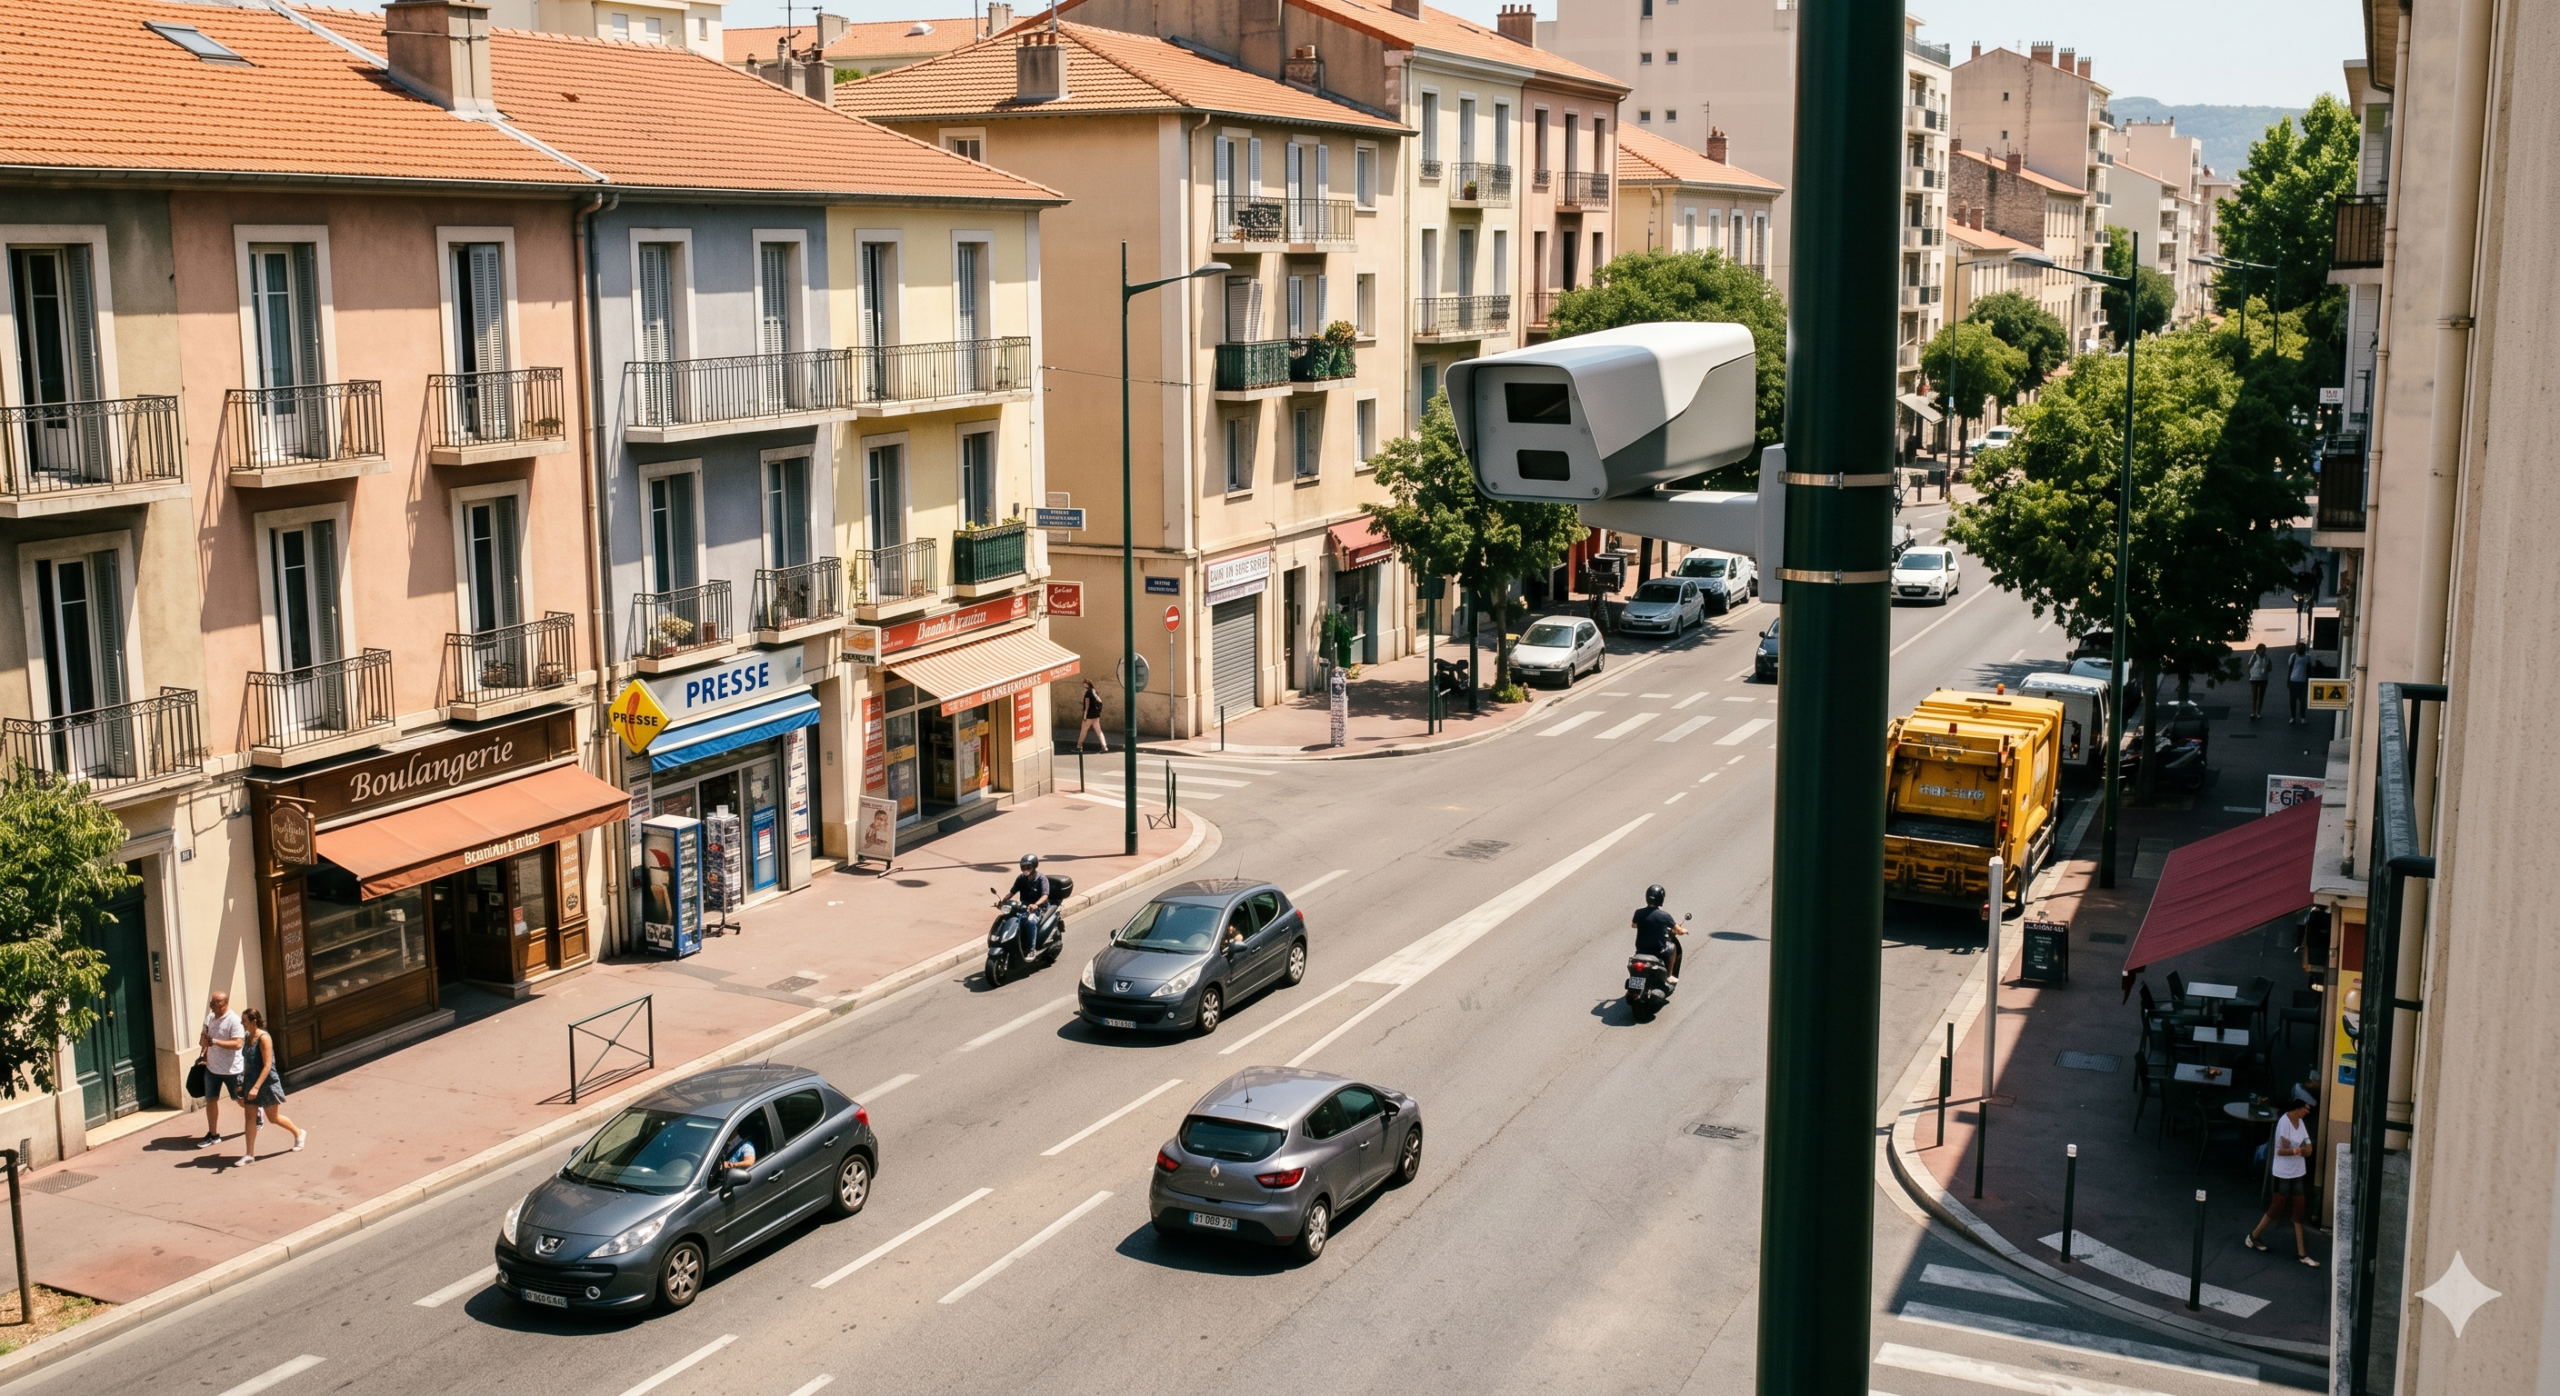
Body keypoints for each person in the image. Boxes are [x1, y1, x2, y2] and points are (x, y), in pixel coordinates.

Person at [2245, 1091, 2322, 1266]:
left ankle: (2302, 1253)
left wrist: (2298, 1149)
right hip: (2283, 1172)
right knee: (2277, 1206)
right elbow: (2281, 1150)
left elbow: (2308, 1148)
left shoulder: (2300, 1123)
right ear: (2297, 1108)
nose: (2307, 1112)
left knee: (2299, 1208)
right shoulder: (2284, 1123)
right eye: (2305, 1109)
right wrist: (2298, 1150)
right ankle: (2254, 1236)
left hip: (2297, 1171)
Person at [230, 1008, 304, 1164]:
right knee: (249, 1116)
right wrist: (243, 1084)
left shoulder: (264, 1038)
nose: (241, 1023)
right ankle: (249, 1154)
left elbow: (267, 1065)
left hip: (266, 1083)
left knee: (273, 1117)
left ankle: (298, 1133)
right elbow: (246, 1062)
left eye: (244, 1020)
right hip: (250, 1082)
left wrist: (256, 1087)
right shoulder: (248, 1037)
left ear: (254, 1021)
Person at [198, 991, 244, 1149]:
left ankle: (257, 1113)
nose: (211, 1005)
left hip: (232, 1070)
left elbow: (238, 1044)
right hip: (212, 1069)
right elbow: (203, 1040)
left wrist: (216, 1041)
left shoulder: (234, 1020)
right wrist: (204, 1045)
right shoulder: (210, 1018)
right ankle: (213, 1134)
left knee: (240, 1100)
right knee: (211, 1100)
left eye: (214, 1003)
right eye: (211, 1002)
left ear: (223, 1004)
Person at [1004, 853, 1060, 954]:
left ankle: (1031, 949)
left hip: (1039, 908)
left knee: (1030, 922)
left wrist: (1036, 904)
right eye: (1023, 867)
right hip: (1024, 907)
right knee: (1008, 919)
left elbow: (1045, 895)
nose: (1026, 869)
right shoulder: (1021, 878)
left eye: (1028, 867)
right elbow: (1012, 892)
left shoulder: (1041, 879)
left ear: (1034, 867)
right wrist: (1002, 901)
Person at [1632, 884, 1685, 982]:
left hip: (1641, 949)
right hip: (1657, 950)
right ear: (1661, 899)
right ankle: (1669, 975)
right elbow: (1679, 930)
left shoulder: (1638, 912)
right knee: (1672, 947)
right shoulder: (1664, 916)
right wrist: (1684, 931)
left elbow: (1634, 925)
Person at [2287, 641, 2314, 725]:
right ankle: (2293, 717)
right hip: (2293, 680)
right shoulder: (2293, 656)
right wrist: (2288, 680)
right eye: (2298, 648)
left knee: (2302, 700)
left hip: (2303, 681)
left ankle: (2302, 717)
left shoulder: (2308, 657)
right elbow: (2290, 668)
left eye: (2301, 648)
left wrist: (2309, 680)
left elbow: (2309, 669)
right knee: (2292, 700)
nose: (2299, 650)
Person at [1077, 680, 1108, 752]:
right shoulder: (1095, 691)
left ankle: (1079, 746)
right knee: (1099, 731)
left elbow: (1087, 706)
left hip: (1089, 716)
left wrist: (1084, 716)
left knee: (1083, 731)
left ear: (1087, 684)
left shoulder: (1088, 692)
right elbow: (1100, 701)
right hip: (1096, 716)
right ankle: (1104, 747)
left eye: (1084, 683)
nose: (1083, 685)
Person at [2246, 643, 2272, 722]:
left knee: (2261, 696)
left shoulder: (2267, 658)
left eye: (2264, 650)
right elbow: (2248, 666)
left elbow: (2270, 668)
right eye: (2262, 650)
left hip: (2263, 678)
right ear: (2258, 650)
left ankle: (2258, 712)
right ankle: (2253, 712)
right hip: (2254, 678)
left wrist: (2268, 668)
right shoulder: (2254, 656)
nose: (2263, 652)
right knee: (2254, 695)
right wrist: (2250, 674)